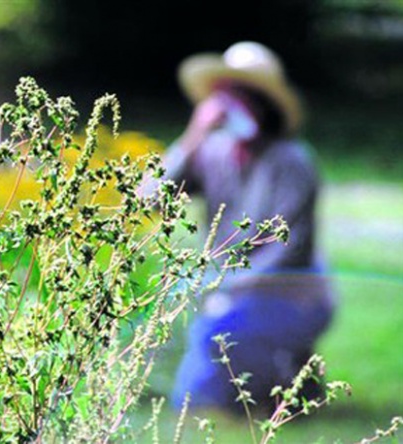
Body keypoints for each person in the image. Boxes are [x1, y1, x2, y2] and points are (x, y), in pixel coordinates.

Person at [141, 42, 335, 413]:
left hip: (291, 294)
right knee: (176, 326)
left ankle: (212, 405)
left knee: (212, 340)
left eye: (245, 96)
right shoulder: (212, 152)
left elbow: (289, 250)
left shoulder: (291, 163)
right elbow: (149, 201)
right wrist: (192, 136)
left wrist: (224, 291)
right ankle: (288, 379)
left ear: (266, 105)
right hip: (232, 290)